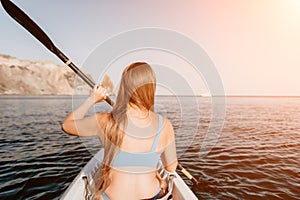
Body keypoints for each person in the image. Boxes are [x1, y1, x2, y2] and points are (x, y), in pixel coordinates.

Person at [62, 62, 178, 200]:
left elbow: (67, 125)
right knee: (163, 184)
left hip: (111, 197)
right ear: (151, 88)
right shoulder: (165, 125)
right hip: (153, 195)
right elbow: (171, 168)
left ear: (123, 87)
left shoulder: (104, 121)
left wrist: (92, 99)